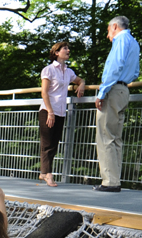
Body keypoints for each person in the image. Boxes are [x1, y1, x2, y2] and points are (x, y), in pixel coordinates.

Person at [94, 15, 140, 193]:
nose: (108, 36)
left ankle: (110, 182)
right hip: (124, 91)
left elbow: (114, 66)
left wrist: (102, 92)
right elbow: (135, 72)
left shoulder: (120, 40)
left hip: (113, 90)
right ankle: (115, 179)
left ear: (114, 27)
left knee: (105, 135)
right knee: (116, 138)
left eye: (108, 31)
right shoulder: (134, 42)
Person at [38, 41, 86, 187]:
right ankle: (48, 175)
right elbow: (44, 92)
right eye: (65, 48)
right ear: (56, 52)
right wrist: (50, 112)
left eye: (68, 48)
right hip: (48, 110)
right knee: (47, 143)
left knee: (54, 143)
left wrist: (82, 85)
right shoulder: (49, 70)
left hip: (60, 111)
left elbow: (80, 80)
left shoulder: (68, 71)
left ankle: (43, 172)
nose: (68, 50)